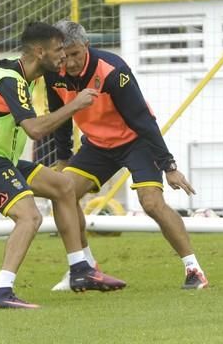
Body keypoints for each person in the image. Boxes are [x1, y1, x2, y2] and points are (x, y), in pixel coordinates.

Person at [0, 22, 126, 309]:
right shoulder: (10, 79)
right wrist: (76, 105)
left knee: (63, 185)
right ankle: (2, 292)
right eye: (58, 50)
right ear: (39, 51)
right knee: (29, 217)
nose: (63, 57)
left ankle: (80, 269)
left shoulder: (21, 74)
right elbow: (33, 129)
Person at [46, 20, 208, 291]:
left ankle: (194, 270)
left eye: (76, 53)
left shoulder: (113, 71)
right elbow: (60, 118)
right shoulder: (53, 74)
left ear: (87, 46)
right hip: (97, 145)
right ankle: (85, 268)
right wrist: (63, 159)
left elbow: (142, 119)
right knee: (62, 192)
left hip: (136, 141)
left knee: (152, 204)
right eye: (66, 54)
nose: (71, 62)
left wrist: (169, 166)